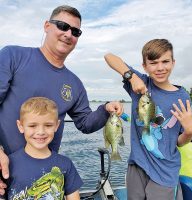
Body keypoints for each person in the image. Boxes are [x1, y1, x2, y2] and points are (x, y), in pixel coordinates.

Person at [0, 5, 123, 195]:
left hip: (42, 180)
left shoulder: (74, 83)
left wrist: (105, 109)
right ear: (47, 26)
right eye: (62, 26)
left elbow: (85, 123)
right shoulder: (13, 56)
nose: (68, 34)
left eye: (75, 31)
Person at [104, 39, 192, 200]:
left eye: (165, 61)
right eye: (153, 63)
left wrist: (189, 131)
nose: (160, 67)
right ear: (145, 66)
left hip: (165, 171)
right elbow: (109, 57)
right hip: (137, 165)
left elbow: (178, 142)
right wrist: (131, 77)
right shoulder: (140, 84)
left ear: (173, 63)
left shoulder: (182, 96)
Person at [6, 97, 83, 200]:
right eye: (33, 126)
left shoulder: (66, 164)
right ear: (20, 126)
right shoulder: (7, 164)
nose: (41, 132)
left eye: (48, 125)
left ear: (56, 125)